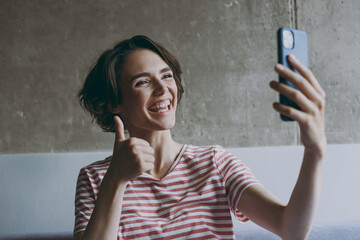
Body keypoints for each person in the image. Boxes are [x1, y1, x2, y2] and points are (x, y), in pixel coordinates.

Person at [74, 35, 326, 240]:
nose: (163, 90)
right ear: (113, 103)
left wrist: (315, 153)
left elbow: (291, 229)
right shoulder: (95, 179)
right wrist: (115, 181)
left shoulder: (214, 162)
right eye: (142, 82)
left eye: (166, 75)